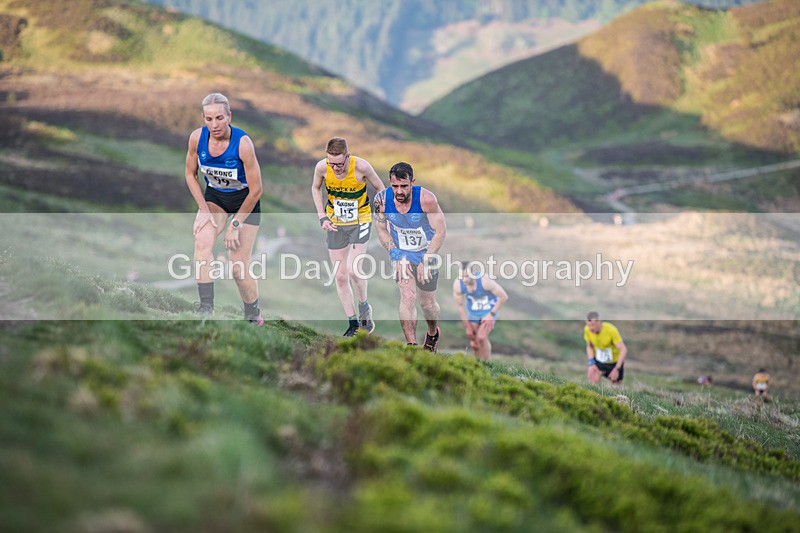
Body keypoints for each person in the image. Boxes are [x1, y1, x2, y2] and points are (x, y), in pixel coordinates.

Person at [185, 92, 264, 324]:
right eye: (209, 119)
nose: (214, 124)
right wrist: (203, 209)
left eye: (219, 118)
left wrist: (236, 225)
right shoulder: (197, 139)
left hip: (245, 202)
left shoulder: (243, 144)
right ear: (203, 118)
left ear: (229, 116)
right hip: (215, 200)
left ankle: (253, 314)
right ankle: (206, 308)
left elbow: (256, 189)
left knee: (238, 267)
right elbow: (190, 174)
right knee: (202, 241)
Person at [311, 137, 385, 337]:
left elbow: (380, 188)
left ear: (348, 157)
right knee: (341, 276)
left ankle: (364, 307)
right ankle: (353, 324)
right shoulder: (322, 168)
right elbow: (315, 188)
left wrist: (379, 213)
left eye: (339, 163)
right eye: (331, 163)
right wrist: (322, 217)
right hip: (335, 223)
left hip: (360, 221)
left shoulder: (361, 166)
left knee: (353, 270)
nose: (335, 168)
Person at [373, 162, 446, 351]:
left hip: (427, 253)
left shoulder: (426, 199)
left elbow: (440, 231)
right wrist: (397, 255)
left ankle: (432, 334)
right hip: (402, 254)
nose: (399, 191)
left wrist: (426, 259)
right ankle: (411, 347)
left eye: (404, 186)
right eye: (394, 186)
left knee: (427, 304)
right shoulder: (381, 200)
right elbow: (381, 229)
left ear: (412, 182)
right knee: (407, 296)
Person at [452, 260, 508, 361]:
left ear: (473, 274)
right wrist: (467, 326)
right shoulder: (458, 285)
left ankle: (487, 364)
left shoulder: (484, 281)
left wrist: (491, 315)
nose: (463, 280)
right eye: (461, 276)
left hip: (489, 310)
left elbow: (503, 297)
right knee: (474, 342)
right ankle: (477, 364)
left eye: (466, 276)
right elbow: (459, 305)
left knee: (481, 337)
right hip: (473, 313)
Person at [584, 311, 628, 384]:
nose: (590, 328)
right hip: (599, 360)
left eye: (593, 325)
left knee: (616, 387)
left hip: (614, 362)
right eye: (589, 325)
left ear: (599, 322)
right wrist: (591, 363)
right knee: (592, 381)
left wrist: (617, 368)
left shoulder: (611, 330)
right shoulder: (587, 329)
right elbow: (589, 346)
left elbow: (623, 349)